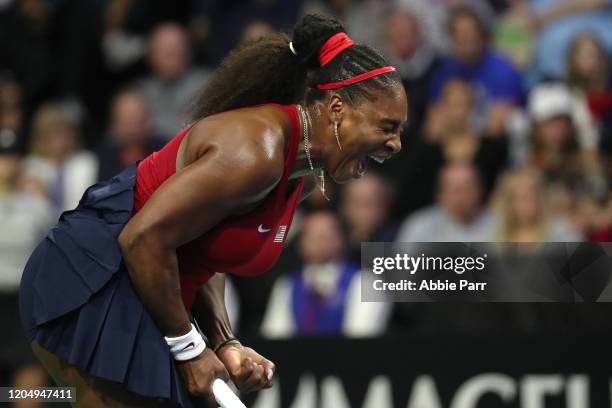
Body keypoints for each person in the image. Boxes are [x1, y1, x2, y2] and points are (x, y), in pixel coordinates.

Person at [19, 13, 407, 408]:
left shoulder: (303, 173)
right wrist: (190, 349)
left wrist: (224, 341)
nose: (395, 145)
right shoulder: (257, 153)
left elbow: (205, 251)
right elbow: (143, 237)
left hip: (148, 288)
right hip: (94, 281)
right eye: (387, 127)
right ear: (337, 107)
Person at [262, 211, 388, 338]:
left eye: (326, 236)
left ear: (342, 239)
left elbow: (362, 338)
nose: (319, 243)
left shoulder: (365, 282)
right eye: (312, 236)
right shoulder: (286, 285)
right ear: (300, 243)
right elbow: (275, 336)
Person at [396, 161, 495, 242]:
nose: (461, 196)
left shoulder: (499, 225)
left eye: (467, 188)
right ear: (439, 195)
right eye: (454, 190)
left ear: (480, 191)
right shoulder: (420, 227)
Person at [492, 167, 582, 242]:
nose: (524, 204)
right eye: (517, 198)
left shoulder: (562, 233)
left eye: (529, 197)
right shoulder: (495, 235)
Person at [94, 89, 165, 181]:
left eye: (139, 122)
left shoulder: (164, 151)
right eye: (127, 123)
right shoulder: (100, 159)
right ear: (114, 124)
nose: (134, 130)